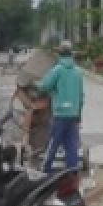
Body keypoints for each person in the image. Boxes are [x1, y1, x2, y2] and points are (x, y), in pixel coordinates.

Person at [36, 41, 84, 174]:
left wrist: (35, 85)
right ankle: (72, 173)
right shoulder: (78, 72)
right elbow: (81, 96)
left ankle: (45, 171)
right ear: (71, 55)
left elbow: (45, 85)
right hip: (73, 114)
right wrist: (78, 114)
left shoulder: (58, 70)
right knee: (71, 146)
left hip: (60, 114)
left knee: (53, 143)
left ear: (60, 55)